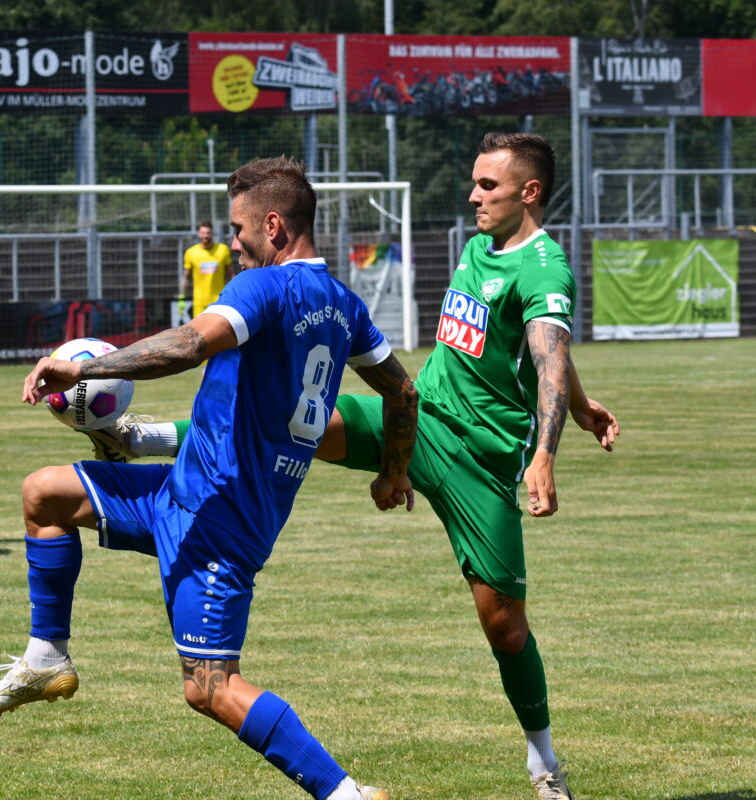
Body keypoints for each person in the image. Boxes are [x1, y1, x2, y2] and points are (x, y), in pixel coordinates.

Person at [84, 133, 620, 800]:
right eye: (476, 182)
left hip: (482, 461)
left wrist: (546, 451)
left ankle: (544, 764)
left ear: (529, 192)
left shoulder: (544, 268)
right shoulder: (481, 245)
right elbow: (538, 349)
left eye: (488, 185)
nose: (473, 195)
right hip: (423, 416)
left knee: (505, 626)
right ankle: (145, 436)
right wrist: (582, 403)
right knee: (301, 414)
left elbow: (548, 351)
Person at [0, 157, 419, 800]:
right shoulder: (345, 306)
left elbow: (189, 344)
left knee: (210, 688)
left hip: (219, 522)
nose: (233, 242)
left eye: (238, 229)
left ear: (274, 225)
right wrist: (392, 473)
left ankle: (346, 795)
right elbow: (403, 392)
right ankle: (46, 657)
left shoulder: (263, 287)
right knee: (45, 494)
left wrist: (85, 371)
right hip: (184, 492)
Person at [181, 219, 233, 318]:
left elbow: (230, 274)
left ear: (212, 233)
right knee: (198, 328)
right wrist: (181, 297)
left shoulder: (223, 250)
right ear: (199, 234)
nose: (206, 236)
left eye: (208, 233)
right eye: (203, 233)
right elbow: (186, 277)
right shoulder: (191, 253)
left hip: (219, 302)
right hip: (199, 303)